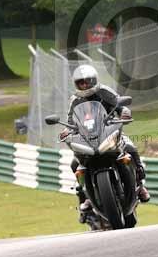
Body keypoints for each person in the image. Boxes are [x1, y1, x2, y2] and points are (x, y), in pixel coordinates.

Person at [60, 64, 150, 221]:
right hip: (87, 138)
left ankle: (140, 185)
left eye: (87, 82)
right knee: (75, 164)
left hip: (109, 130)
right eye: (81, 83)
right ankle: (86, 196)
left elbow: (120, 106)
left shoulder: (104, 91)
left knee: (130, 147)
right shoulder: (75, 100)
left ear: (94, 80)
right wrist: (67, 130)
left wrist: (124, 113)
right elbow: (70, 121)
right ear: (76, 84)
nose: (84, 85)